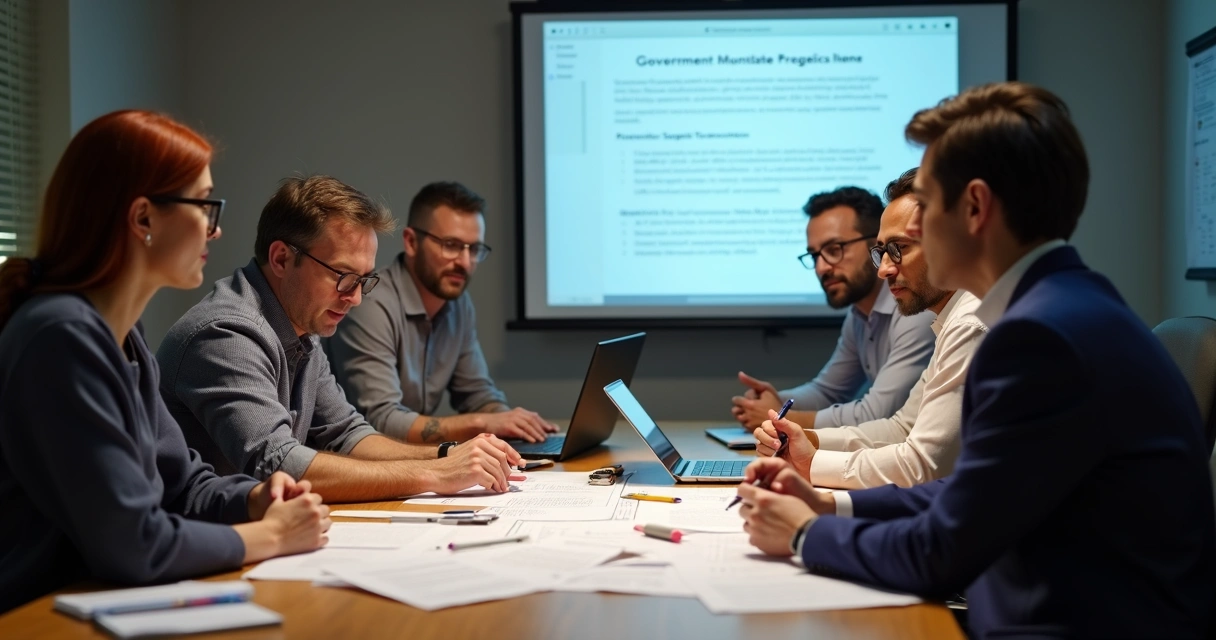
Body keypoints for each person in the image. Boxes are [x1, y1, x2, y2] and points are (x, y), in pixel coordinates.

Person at [737, 82, 1216, 638]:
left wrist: (804, 533)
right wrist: (831, 508)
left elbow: (941, 550)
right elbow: (970, 493)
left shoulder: (1035, 337)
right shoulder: (1068, 303)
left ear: (974, 208)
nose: (911, 234)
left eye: (929, 204)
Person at [0, 111, 330, 614]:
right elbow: (133, 542)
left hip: (92, 601)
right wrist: (272, 537)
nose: (215, 231)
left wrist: (254, 499)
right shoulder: (61, 337)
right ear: (143, 219)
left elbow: (181, 485)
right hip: (34, 616)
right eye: (205, 206)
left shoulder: (122, 336)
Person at [157, 176, 521, 504]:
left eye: (363, 280)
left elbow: (349, 435)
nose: (356, 298)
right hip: (192, 544)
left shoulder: (302, 325)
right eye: (343, 276)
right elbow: (277, 464)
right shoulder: (226, 334)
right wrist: (436, 473)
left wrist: (448, 455)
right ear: (281, 258)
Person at [753, 168, 987, 489]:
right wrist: (806, 439)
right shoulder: (951, 318)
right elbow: (900, 429)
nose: (884, 270)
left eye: (899, 248)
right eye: (882, 253)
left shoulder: (970, 322)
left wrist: (811, 463)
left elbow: (923, 465)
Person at [327, 181, 557, 444]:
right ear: (411, 242)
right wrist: (483, 423)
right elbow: (381, 420)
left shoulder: (458, 305)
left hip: (408, 459)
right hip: (352, 458)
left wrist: (511, 425)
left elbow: (477, 394)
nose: (465, 262)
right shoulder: (369, 303)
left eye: (474, 249)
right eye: (451, 245)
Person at [732, 186, 935, 430]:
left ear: (876, 245)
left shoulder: (915, 308)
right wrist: (774, 402)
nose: (821, 268)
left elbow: (880, 413)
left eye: (834, 250)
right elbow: (828, 390)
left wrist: (782, 418)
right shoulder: (859, 314)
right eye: (815, 255)